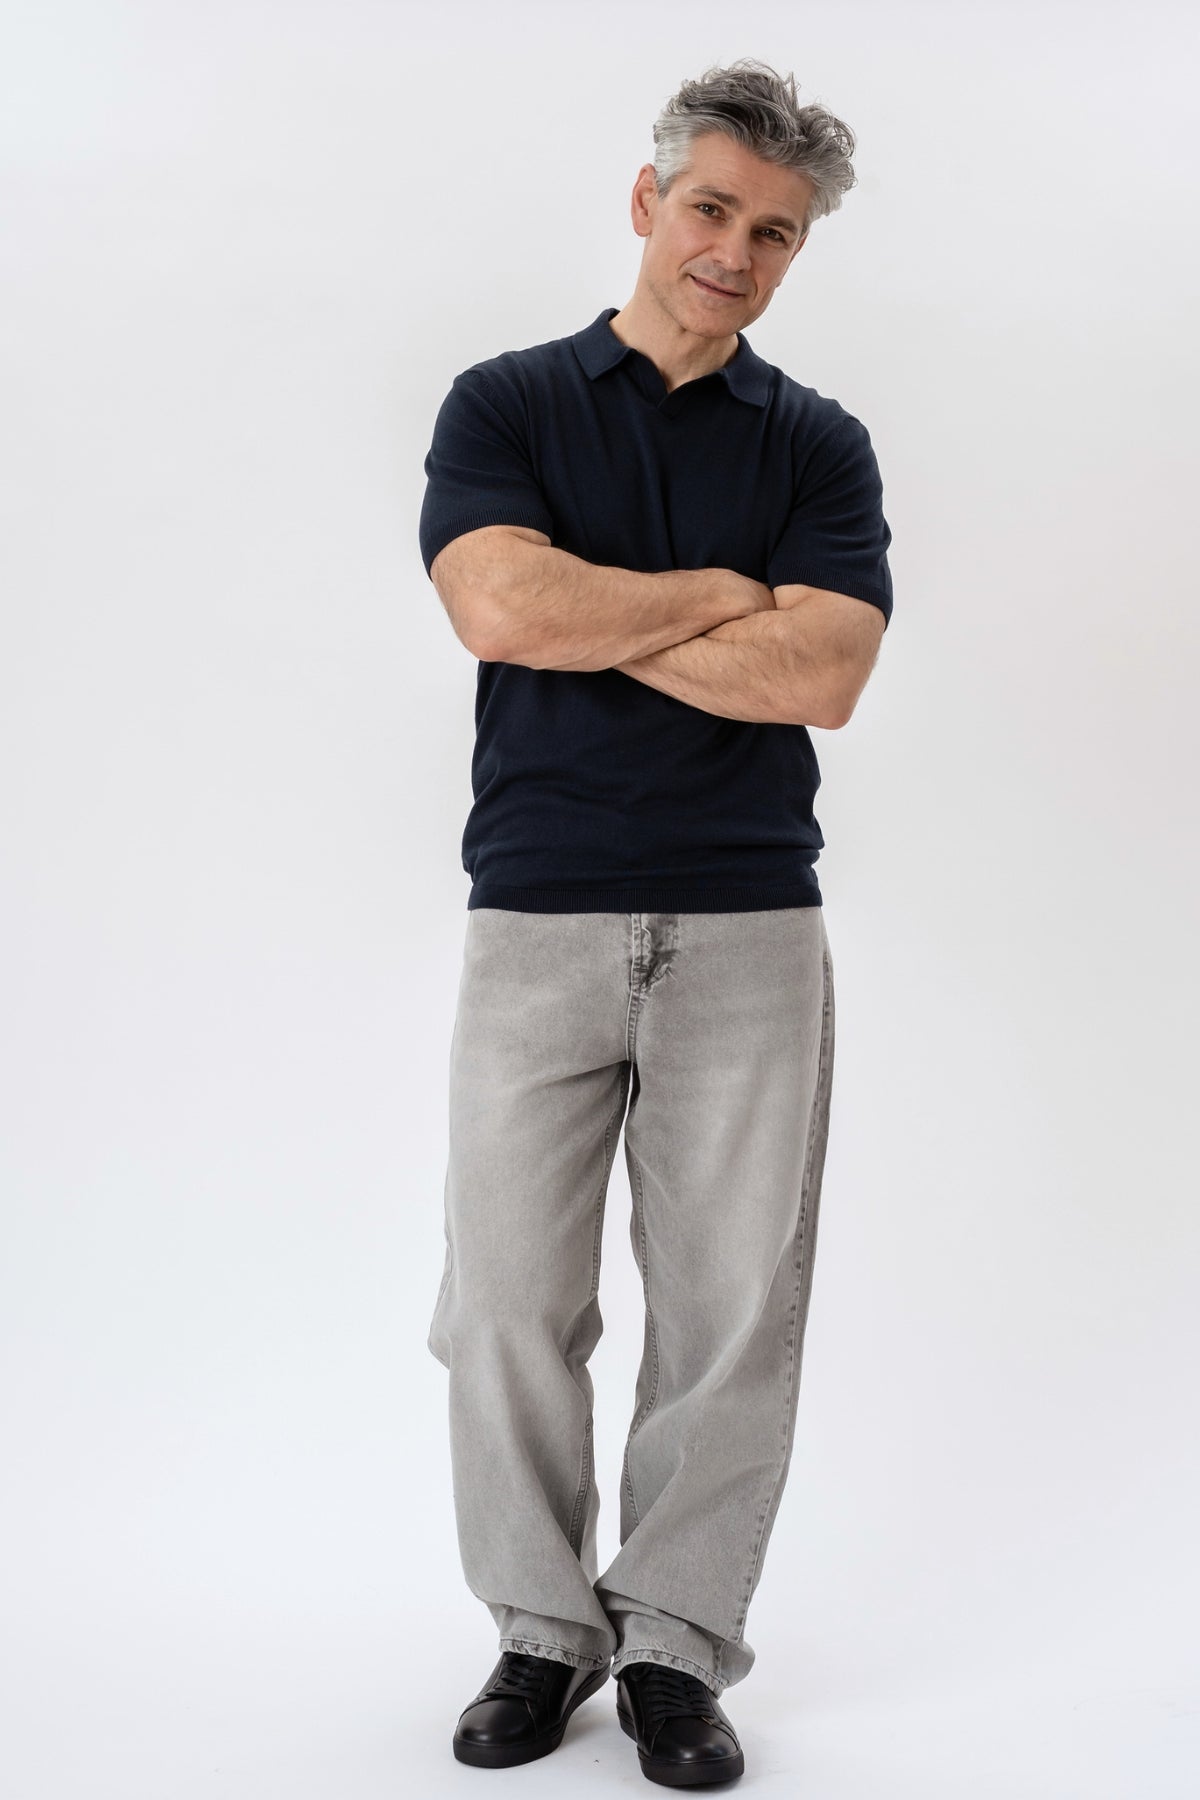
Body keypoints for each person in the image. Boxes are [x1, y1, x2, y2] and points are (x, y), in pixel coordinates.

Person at [417, 57, 893, 1787]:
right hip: (536, 911)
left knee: (729, 1311)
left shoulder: (816, 442)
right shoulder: (506, 404)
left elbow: (824, 673)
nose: (734, 253)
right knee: (501, 1305)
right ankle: (544, 1634)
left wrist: (594, 612)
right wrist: (711, 599)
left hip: (751, 919)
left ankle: (677, 1646)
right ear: (646, 201)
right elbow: (498, 604)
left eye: (775, 232)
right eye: (710, 209)